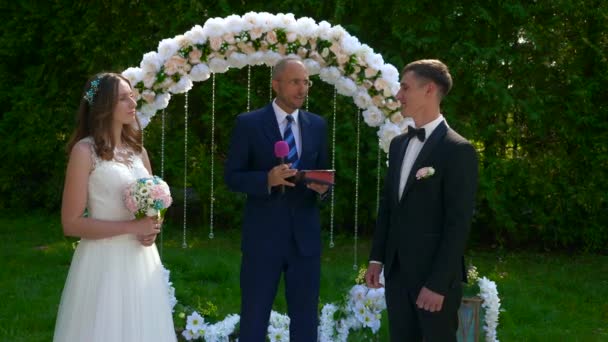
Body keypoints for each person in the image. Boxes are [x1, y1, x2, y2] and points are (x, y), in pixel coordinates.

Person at [53, 72, 176, 342]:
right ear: (103, 106)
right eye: (123, 98)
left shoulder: (138, 152)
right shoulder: (84, 152)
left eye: (132, 96)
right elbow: (71, 223)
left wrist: (153, 226)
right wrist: (132, 227)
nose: (133, 103)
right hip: (103, 262)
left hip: (141, 260)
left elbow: (152, 206)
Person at [365, 59, 478, 341]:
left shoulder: (458, 150)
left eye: (405, 87)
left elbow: (458, 224)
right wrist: (377, 258)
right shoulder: (399, 144)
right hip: (396, 273)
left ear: (429, 90)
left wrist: (437, 284)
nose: (398, 95)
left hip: (433, 280)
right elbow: (389, 207)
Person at [224, 57, 329, 341]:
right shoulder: (249, 123)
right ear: (276, 84)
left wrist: (323, 188)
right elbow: (232, 176)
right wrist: (265, 180)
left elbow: (326, 173)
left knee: (306, 319)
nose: (302, 88)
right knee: (255, 317)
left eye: (306, 82)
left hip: (304, 240)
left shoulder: (317, 125)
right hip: (263, 238)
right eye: (295, 81)